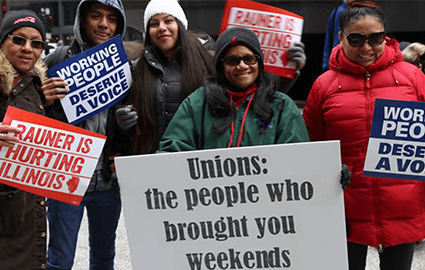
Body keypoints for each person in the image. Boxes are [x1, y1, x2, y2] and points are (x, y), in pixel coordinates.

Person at [302, 1, 425, 269]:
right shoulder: (323, 86)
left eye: (375, 38)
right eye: (356, 39)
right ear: (341, 37)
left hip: (402, 204)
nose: (366, 48)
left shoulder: (414, 78)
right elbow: (311, 144)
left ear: (386, 36)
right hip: (344, 205)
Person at [41, 0, 127, 269]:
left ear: (118, 26)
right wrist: (42, 99)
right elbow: (29, 114)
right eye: (96, 16)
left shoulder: (126, 68)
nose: (103, 24)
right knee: (60, 259)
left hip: (108, 181)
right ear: (81, 19)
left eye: (112, 19)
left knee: (104, 257)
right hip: (66, 176)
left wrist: (126, 125)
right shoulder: (56, 60)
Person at [157, 27, 309, 152]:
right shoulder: (197, 103)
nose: (242, 66)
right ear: (221, 66)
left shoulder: (282, 106)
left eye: (249, 59)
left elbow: (298, 158)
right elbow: (172, 152)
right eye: (232, 60)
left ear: (259, 62)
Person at [115, 0, 216, 155]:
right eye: (154, 24)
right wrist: (123, 122)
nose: (162, 28)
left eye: (168, 21)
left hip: (199, 162)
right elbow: (130, 131)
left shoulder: (207, 61)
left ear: (180, 25)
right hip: (154, 162)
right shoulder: (136, 69)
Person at [0, 10, 48, 270]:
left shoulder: (37, 85)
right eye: (19, 40)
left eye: (37, 43)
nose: (28, 48)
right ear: (2, 42)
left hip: (28, 211)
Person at [322, 0, 347, 71]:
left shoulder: (337, 11)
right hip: (340, 63)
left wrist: (326, 64)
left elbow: (329, 40)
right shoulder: (339, 12)